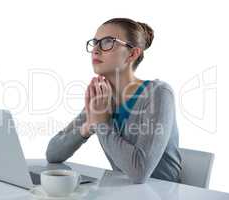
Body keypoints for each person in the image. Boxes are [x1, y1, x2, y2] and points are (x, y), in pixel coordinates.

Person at [46, 17, 182, 183]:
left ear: (132, 53)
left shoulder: (159, 93)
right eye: (95, 42)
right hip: (126, 193)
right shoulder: (102, 98)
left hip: (164, 194)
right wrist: (89, 126)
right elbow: (52, 153)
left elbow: (139, 172)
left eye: (108, 42)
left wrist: (102, 124)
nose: (96, 49)